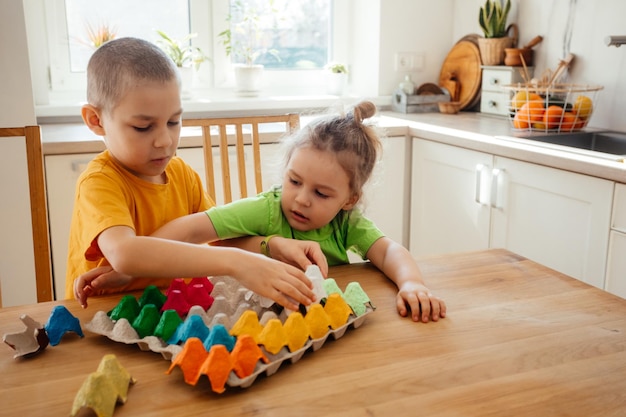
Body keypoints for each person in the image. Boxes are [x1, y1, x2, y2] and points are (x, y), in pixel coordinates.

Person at [67, 37, 324, 311]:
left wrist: (272, 246)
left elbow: (220, 237)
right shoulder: (99, 181)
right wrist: (237, 262)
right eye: (143, 127)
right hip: (109, 315)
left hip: (177, 314)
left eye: (173, 122)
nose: (165, 140)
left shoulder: (182, 174)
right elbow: (125, 254)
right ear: (96, 120)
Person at [145, 101, 446, 322]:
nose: (301, 199)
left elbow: (388, 251)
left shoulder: (346, 223)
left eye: (321, 193)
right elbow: (192, 229)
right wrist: (134, 259)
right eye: (294, 181)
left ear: (349, 200)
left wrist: (412, 283)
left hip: (324, 328)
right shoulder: (267, 209)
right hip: (263, 325)